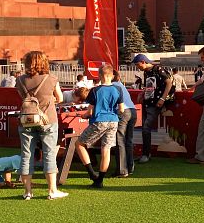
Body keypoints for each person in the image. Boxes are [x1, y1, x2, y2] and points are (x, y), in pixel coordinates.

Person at [15, 51, 67, 200]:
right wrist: (49, 102)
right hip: (47, 120)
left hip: (26, 121)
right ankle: (52, 191)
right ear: (44, 63)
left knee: (26, 155)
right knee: (49, 154)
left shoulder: (20, 80)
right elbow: (60, 98)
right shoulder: (51, 79)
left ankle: (27, 192)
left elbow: (24, 98)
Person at [74, 64, 125, 188]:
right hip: (113, 121)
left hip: (99, 121)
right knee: (106, 150)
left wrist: (83, 116)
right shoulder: (118, 89)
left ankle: (92, 173)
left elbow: (90, 111)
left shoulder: (95, 90)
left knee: (79, 144)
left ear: (99, 76)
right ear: (112, 75)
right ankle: (100, 180)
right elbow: (122, 110)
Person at [132, 54, 174, 164]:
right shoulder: (147, 72)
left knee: (146, 127)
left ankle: (146, 154)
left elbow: (169, 82)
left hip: (156, 103)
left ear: (143, 62)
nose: (137, 67)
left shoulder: (158, 69)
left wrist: (163, 98)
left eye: (138, 65)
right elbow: (150, 86)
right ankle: (146, 153)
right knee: (145, 127)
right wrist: (142, 93)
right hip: (148, 101)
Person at [112, 70, 137, 177]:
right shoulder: (121, 85)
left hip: (123, 112)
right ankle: (130, 167)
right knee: (128, 141)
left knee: (120, 140)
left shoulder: (112, 86)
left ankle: (122, 170)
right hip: (133, 111)